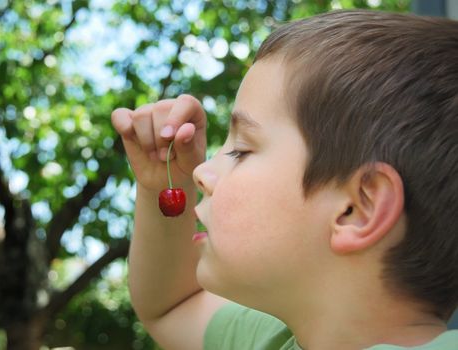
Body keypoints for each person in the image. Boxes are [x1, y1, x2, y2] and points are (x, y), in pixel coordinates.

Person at [111, 9, 458, 350]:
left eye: (242, 151)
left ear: (356, 209)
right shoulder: (269, 339)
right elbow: (170, 307)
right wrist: (165, 182)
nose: (201, 172)